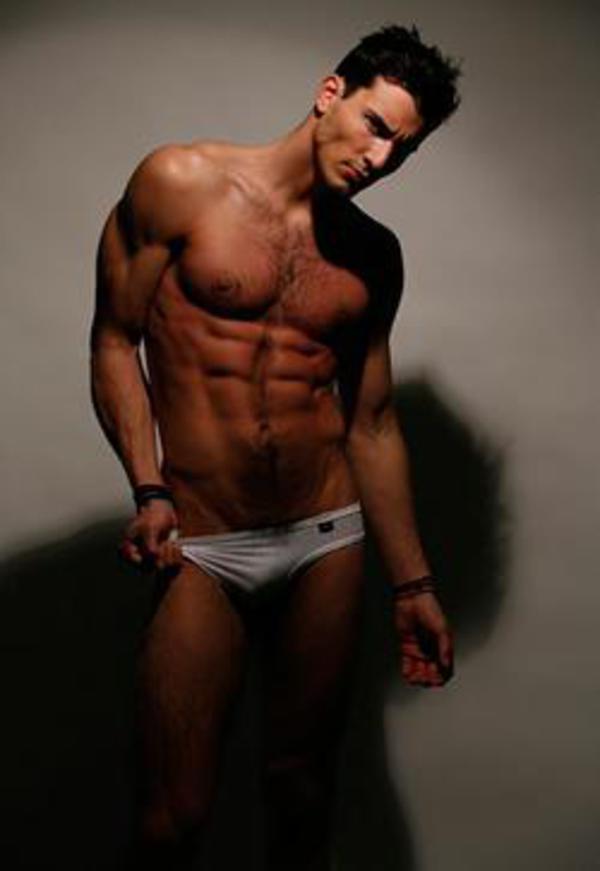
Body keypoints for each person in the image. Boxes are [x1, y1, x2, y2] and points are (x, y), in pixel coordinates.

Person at [90, 23, 461, 871]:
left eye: (402, 150)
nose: (380, 158)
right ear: (331, 93)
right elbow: (113, 340)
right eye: (376, 125)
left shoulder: (374, 256)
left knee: (302, 790)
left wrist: (414, 585)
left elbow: (371, 421)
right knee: (172, 818)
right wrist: (148, 488)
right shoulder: (180, 183)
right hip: (204, 540)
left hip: (325, 537)